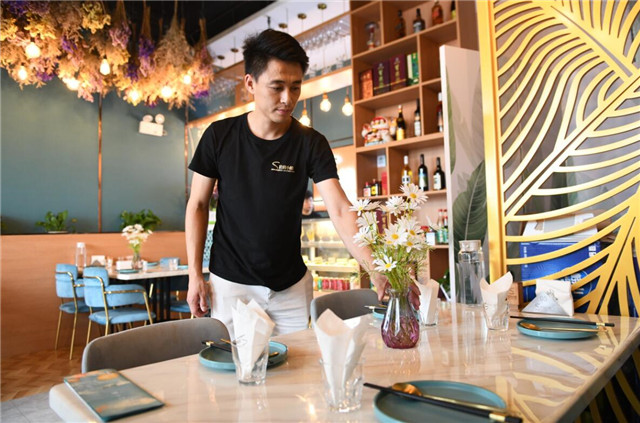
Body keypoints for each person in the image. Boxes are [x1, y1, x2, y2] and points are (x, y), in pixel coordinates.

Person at [186, 29, 409, 338]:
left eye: (295, 87)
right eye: (277, 87)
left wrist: (376, 269)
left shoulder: (310, 143)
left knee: (297, 367)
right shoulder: (219, 137)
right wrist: (194, 274)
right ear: (250, 83)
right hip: (232, 285)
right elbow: (197, 205)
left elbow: (340, 209)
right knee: (237, 367)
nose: (287, 98)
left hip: (291, 287)